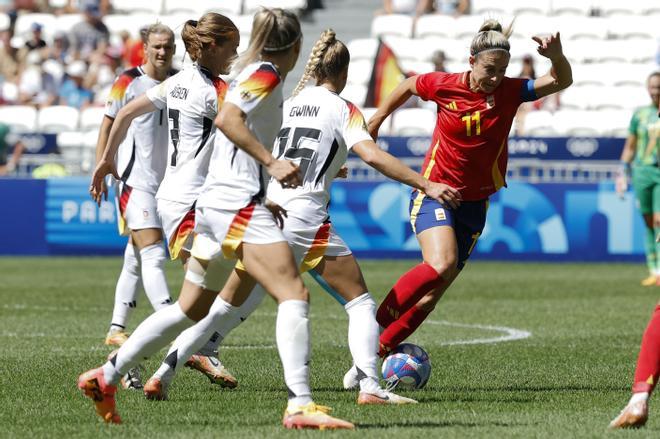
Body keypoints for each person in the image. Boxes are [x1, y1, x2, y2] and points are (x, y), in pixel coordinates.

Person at [143, 28, 451, 406]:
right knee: (360, 303)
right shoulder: (342, 107)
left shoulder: (287, 102)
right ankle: (370, 384)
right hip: (305, 218)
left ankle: (163, 373)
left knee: (224, 304)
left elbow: (286, 149)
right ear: (343, 73)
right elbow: (370, 154)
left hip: (266, 213)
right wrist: (424, 183)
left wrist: (328, 165)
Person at [80, 8, 354, 430]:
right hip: (234, 206)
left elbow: (232, 133)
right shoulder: (264, 75)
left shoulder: (243, 77)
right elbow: (229, 121)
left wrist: (265, 190)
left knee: (190, 309)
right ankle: (299, 404)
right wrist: (271, 164)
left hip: (215, 205)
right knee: (293, 293)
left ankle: (106, 376)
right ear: (297, 47)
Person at [365, 20, 572, 359]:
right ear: (471, 60)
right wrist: (376, 120)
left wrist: (558, 56)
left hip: (475, 204)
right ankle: (370, 330)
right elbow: (409, 84)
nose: (496, 78)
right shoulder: (443, 85)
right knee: (441, 264)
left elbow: (562, 80)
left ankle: (377, 351)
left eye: (502, 71)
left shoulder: (509, 91)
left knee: (433, 295)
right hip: (435, 193)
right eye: (490, 69)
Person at [92, 14, 239, 388]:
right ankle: (125, 362)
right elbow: (240, 130)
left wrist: (107, 159)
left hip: (178, 196)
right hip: (189, 202)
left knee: (228, 284)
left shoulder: (175, 83)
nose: (235, 55)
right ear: (212, 47)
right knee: (196, 300)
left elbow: (126, 112)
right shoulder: (213, 91)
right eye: (231, 48)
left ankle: (176, 352)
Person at [93, 23, 176, 352]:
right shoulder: (127, 81)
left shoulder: (179, 81)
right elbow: (107, 124)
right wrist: (102, 166)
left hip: (166, 184)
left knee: (135, 256)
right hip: (132, 180)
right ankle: (173, 325)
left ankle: (116, 328)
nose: (162, 52)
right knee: (153, 254)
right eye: (156, 46)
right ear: (144, 47)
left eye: (167, 46)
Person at [615, 72, 660, 286]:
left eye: (658, 86)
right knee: (649, 222)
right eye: (652, 87)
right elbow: (630, 147)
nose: (655, 91)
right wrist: (622, 172)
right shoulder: (640, 115)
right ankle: (654, 270)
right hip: (641, 172)